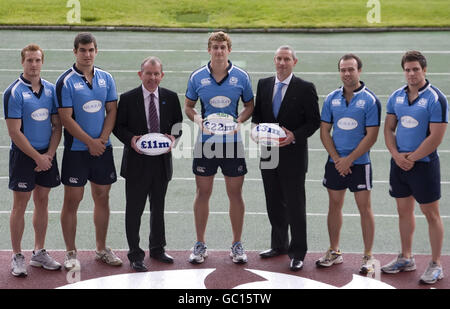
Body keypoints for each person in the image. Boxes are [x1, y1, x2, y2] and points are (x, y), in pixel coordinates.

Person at [184, 31, 254, 264]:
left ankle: (236, 244)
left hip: (233, 144)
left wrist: (239, 122)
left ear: (229, 50)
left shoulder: (241, 77)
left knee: (235, 194)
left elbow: (249, 105)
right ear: (209, 50)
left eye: (223, 47)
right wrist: (198, 121)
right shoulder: (197, 77)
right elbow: (189, 107)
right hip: (206, 144)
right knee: (203, 193)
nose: (219, 51)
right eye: (215, 47)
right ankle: (200, 243)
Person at [55, 32, 122, 270]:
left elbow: (111, 110)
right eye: (82, 50)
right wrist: (90, 142)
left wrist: (102, 139)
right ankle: (71, 252)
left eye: (91, 50)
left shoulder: (106, 78)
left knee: (102, 197)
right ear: (75, 52)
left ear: (96, 51)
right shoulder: (65, 81)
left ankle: (101, 248)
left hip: (103, 148)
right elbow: (65, 118)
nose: (87, 54)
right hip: (76, 150)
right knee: (73, 200)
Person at [381, 51, 448, 284]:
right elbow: (389, 128)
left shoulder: (436, 98)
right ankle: (406, 257)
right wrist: (396, 155)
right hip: (399, 164)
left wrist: (412, 157)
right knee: (404, 212)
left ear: (424, 70)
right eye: (407, 70)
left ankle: (436, 263)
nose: (411, 74)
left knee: (431, 214)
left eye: (415, 69)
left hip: (424, 165)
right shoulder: (396, 97)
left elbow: (436, 137)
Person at [252, 45, 320, 271]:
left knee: (295, 205)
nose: (282, 63)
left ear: (294, 62)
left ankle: (298, 251)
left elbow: (313, 122)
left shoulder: (305, 88)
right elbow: (258, 117)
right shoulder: (263, 84)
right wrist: (256, 133)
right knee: (273, 203)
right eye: (279, 59)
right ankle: (279, 245)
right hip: (268, 153)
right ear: (274, 60)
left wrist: (294, 136)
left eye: (287, 59)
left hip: (293, 156)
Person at [113, 56, 183, 272]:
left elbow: (178, 124)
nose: (152, 78)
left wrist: (172, 137)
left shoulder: (170, 98)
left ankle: (157, 249)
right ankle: (135, 254)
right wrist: (131, 139)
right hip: (136, 163)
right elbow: (118, 126)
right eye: (148, 73)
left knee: (158, 208)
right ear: (140, 74)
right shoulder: (127, 98)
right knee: (134, 210)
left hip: (161, 163)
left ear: (162, 75)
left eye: (156, 74)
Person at [317, 54, 381, 274]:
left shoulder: (370, 100)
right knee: (334, 206)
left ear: (359, 71)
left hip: (360, 163)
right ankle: (334, 251)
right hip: (335, 163)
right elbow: (324, 131)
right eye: (343, 70)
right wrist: (337, 159)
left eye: (351, 69)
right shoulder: (331, 98)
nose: (346, 73)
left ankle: (368, 256)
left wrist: (349, 160)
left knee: (365, 208)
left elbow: (371, 136)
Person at [4, 44, 62, 277]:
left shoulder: (50, 90)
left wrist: (48, 154)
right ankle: (17, 255)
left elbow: (57, 125)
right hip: (23, 157)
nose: (34, 64)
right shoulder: (14, 92)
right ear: (22, 62)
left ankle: (39, 252)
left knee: (42, 201)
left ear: (42, 62)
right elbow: (14, 132)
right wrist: (37, 157)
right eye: (29, 60)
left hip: (46, 155)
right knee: (20, 204)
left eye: (37, 60)